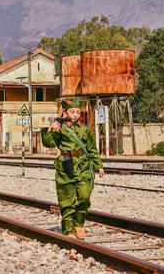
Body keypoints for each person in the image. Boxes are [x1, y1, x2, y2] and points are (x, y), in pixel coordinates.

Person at [41, 97, 104, 239]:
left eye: (78, 112)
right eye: (72, 112)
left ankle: (79, 223)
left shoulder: (83, 128)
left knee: (84, 196)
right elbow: (49, 143)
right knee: (67, 200)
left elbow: (92, 148)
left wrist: (98, 165)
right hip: (66, 165)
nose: (75, 115)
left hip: (83, 165)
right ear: (65, 112)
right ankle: (69, 229)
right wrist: (49, 129)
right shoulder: (59, 127)